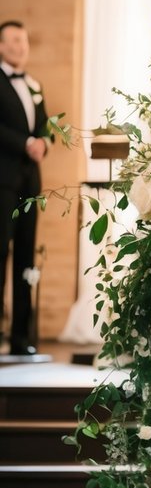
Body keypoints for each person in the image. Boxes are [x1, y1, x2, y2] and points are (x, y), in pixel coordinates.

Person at [0, 21, 49, 355]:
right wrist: (25, 143)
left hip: (30, 183)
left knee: (26, 261)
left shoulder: (33, 83)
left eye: (25, 41)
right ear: (1, 45)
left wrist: (45, 142)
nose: (21, 46)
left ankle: (21, 338)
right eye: (14, 40)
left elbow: (44, 126)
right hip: (2, 181)